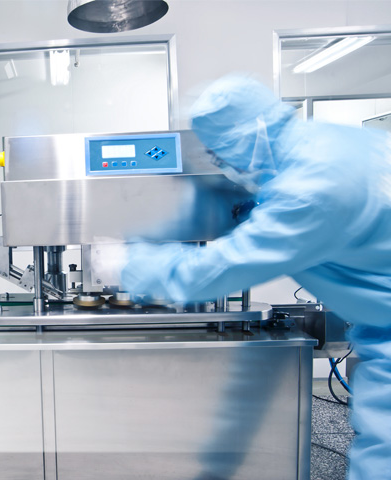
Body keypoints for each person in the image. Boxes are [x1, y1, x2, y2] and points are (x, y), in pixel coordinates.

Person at [118, 74, 391, 480]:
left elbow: (227, 266)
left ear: (249, 136)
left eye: (220, 153)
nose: (220, 165)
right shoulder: (319, 146)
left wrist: (131, 263)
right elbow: (262, 212)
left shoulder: (312, 188)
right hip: (379, 323)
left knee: (382, 456)